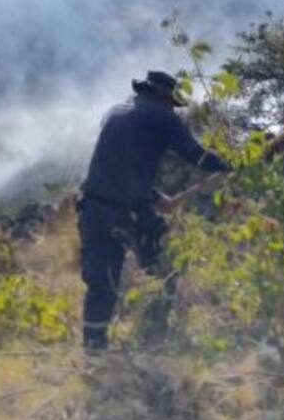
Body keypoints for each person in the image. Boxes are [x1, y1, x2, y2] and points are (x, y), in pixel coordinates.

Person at [77, 70, 230, 350]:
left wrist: (156, 198)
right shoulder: (162, 117)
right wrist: (232, 163)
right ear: (163, 96)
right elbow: (196, 155)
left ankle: (93, 349)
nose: (173, 107)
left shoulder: (115, 112)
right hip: (128, 213)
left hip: (92, 208)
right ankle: (154, 340)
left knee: (102, 283)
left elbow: (122, 167)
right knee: (164, 270)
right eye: (171, 102)